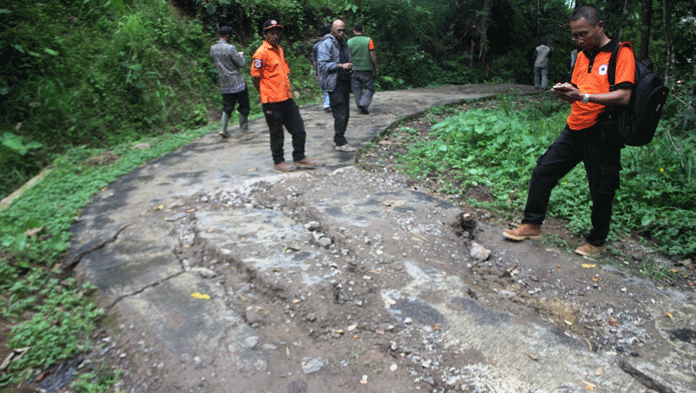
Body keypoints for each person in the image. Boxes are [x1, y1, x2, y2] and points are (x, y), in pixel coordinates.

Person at [503, 5, 635, 258]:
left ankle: (596, 242)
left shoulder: (621, 53)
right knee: (543, 171)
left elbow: (624, 95)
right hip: (574, 126)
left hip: (602, 130)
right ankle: (532, 224)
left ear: (600, 26)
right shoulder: (582, 55)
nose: (578, 39)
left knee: (601, 188)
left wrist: (583, 96)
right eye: (574, 35)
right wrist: (568, 92)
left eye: (583, 33)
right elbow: (578, 89)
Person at [251, 20, 323, 172]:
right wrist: (263, 92)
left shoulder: (279, 50)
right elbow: (255, 77)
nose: (275, 36)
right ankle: (279, 161)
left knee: (299, 129)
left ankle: (299, 157)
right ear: (265, 34)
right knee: (276, 133)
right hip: (271, 101)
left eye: (277, 33)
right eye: (272, 33)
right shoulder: (260, 53)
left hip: (287, 98)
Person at [317, 19, 356, 152]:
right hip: (334, 83)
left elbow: (347, 60)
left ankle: (339, 138)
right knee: (341, 114)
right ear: (332, 30)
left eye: (344, 30)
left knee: (346, 113)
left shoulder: (344, 43)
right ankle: (339, 141)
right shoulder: (326, 44)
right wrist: (340, 66)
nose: (342, 32)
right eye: (339, 30)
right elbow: (322, 65)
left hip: (345, 81)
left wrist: (350, 67)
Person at [210, 26, 251, 138]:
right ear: (228, 36)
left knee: (227, 105)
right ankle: (243, 128)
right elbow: (241, 63)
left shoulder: (213, 49)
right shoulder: (231, 48)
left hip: (224, 83)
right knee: (244, 105)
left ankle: (223, 128)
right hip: (237, 82)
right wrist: (241, 56)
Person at [347, 23, 379, 115]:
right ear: (363, 30)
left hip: (354, 68)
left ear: (354, 31)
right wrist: (376, 66)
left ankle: (360, 107)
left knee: (356, 88)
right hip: (366, 68)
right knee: (370, 87)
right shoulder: (368, 40)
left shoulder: (349, 42)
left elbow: (347, 55)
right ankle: (364, 103)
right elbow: (372, 54)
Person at [311, 25, 332, 113]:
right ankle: (327, 104)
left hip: (320, 69)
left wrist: (315, 70)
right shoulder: (332, 43)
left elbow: (314, 60)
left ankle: (327, 103)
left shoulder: (316, 45)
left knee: (324, 87)